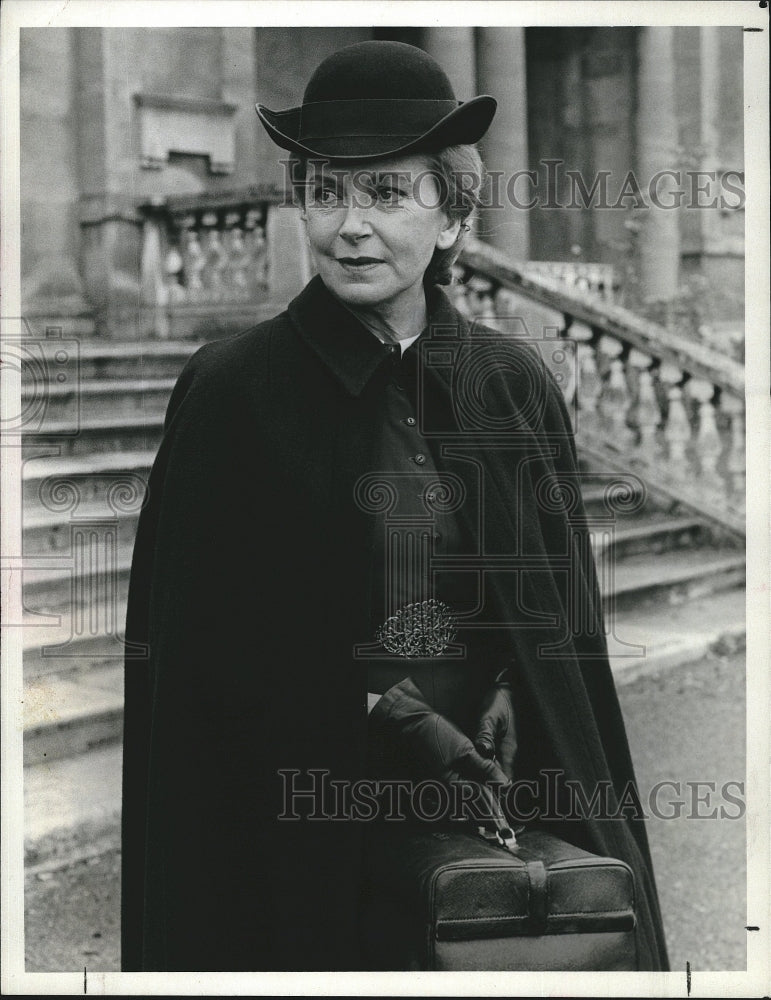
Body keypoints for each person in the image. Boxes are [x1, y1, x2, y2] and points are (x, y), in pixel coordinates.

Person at [121, 39, 669, 972]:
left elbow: (553, 625)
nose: (349, 227)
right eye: (327, 192)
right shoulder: (232, 393)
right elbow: (200, 660)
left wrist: (504, 690)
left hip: (498, 807)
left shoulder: (510, 384)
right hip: (301, 835)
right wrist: (389, 710)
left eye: (386, 194)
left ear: (453, 217)